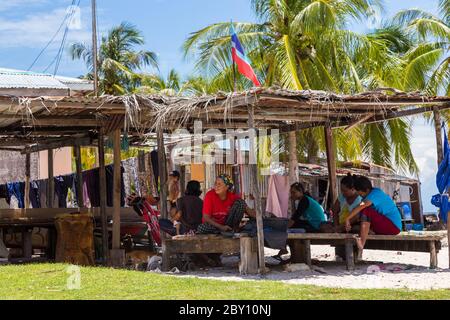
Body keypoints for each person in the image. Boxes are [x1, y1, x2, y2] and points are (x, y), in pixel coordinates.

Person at [345, 176, 401, 252]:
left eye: (360, 193)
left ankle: (362, 243)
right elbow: (358, 212)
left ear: (367, 190)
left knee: (366, 210)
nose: (359, 195)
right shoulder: (367, 197)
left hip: (393, 227)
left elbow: (362, 205)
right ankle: (370, 231)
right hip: (385, 225)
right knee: (355, 227)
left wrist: (348, 218)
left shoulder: (375, 193)